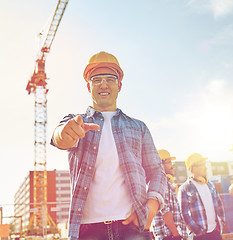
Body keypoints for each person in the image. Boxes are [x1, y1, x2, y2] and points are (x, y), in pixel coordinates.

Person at [51, 51, 166, 240]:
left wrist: (151, 208)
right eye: (96, 79)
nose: (103, 84)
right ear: (88, 86)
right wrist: (65, 133)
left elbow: (156, 171)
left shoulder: (138, 127)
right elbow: (59, 137)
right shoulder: (76, 122)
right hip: (88, 231)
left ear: (119, 85)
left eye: (110, 79)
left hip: (132, 227)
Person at [178, 153, 225, 240]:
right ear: (194, 168)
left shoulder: (210, 185)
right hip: (199, 235)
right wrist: (197, 231)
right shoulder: (184, 188)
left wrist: (221, 223)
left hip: (215, 232)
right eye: (202, 165)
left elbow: (219, 205)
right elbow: (183, 213)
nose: (205, 167)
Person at [151, 149, 188, 240]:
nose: (172, 166)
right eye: (169, 162)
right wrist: (176, 235)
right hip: (169, 237)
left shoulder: (166, 183)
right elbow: (165, 212)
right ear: (161, 164)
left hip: (172, 236)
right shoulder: (161, 182)